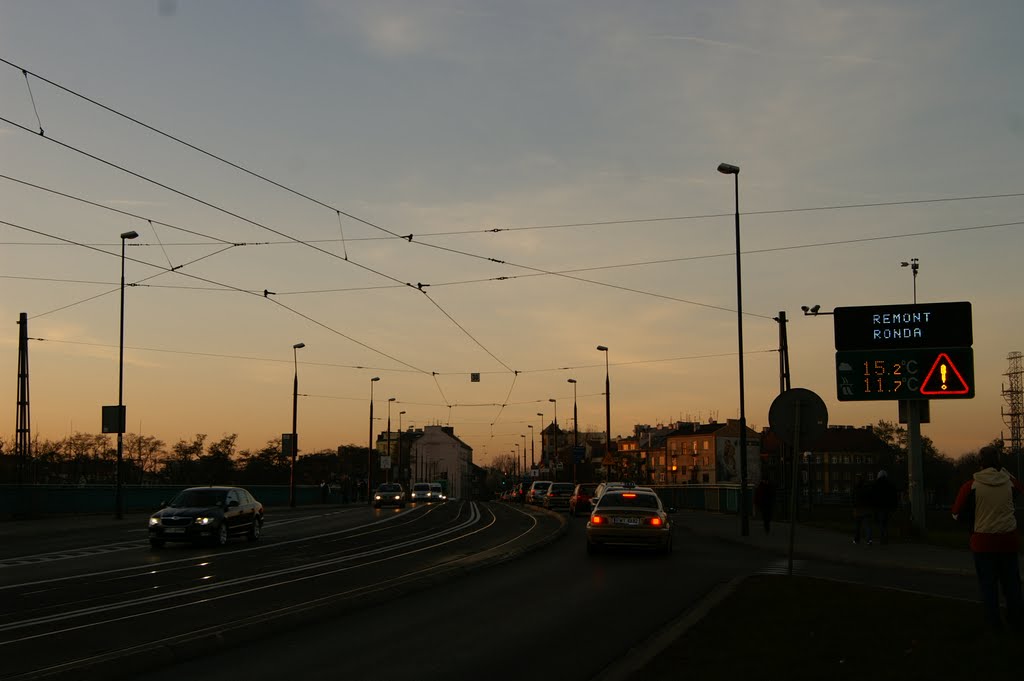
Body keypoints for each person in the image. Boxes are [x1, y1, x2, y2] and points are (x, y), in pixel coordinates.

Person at [952, 445, 1024, 631]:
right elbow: (1019, 486)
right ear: (1000, 463)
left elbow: (956, 514)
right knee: (1012, 583)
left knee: (988, 584)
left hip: (983, 542)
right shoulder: (1009, 483)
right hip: (1008, 540)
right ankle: (1015, 619)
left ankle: (994, 622)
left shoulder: (971, 486)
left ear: (979, 463)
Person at [872, 470, 898, 544]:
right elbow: (894, 497)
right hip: (888, 507)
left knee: (881, 523)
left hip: (879, 507)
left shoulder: (876, 484)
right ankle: (886, 538)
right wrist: (894, 507)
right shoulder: (890, 484)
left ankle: (882, 538)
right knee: (886, 523)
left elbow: (873, 496)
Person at [852, 474, 873, 545]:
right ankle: (869, 539)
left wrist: (854, 507)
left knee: (857, 525)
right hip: (866, 508)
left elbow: (853, 498)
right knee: (867, 525)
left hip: (858, 508)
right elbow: (870, 497)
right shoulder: (866, 487)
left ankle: (857, 539)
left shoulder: (855, 488)